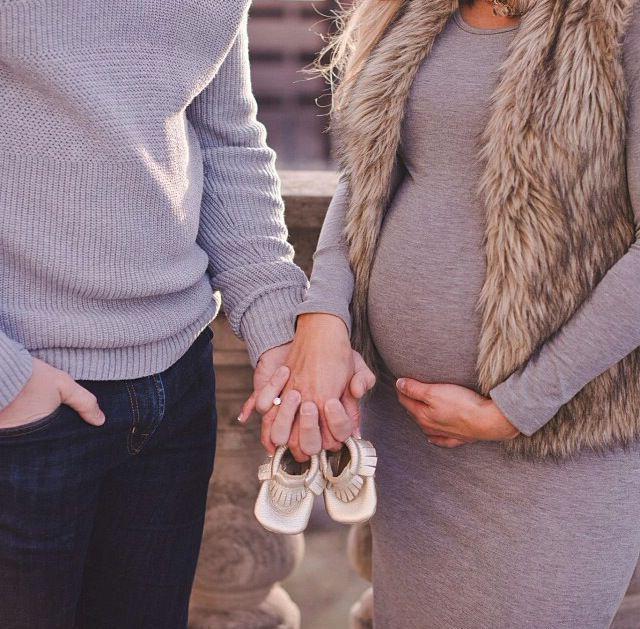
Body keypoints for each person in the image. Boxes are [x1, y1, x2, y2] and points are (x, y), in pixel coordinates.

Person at [248, 0, 640, 626]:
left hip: (559, 444)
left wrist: (519, 406)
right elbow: (366, 182)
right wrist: (322, 315)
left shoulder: (618, 21)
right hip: (409, 439)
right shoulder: (416, 12)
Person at [0, 1, 373, 627]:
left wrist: (281, 330)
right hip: (27, 405)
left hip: (177, 388)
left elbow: (224, 139)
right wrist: (10, 382)